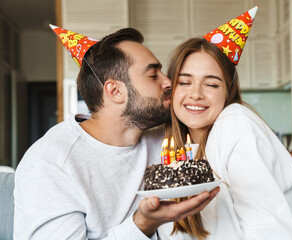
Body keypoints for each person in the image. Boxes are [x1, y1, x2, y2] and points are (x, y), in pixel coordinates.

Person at [13, 27, 219, 239]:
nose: (169, 82)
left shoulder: (164, 140)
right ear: (115, 91)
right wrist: (143, 224)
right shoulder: (51, 163)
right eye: (153, 75)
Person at [157, 8, 292, 240]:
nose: (196, 94)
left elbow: (270, 228)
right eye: (185, 82)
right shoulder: (174, 151)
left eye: (211, 85)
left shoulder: (233, 123)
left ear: (227, 91)